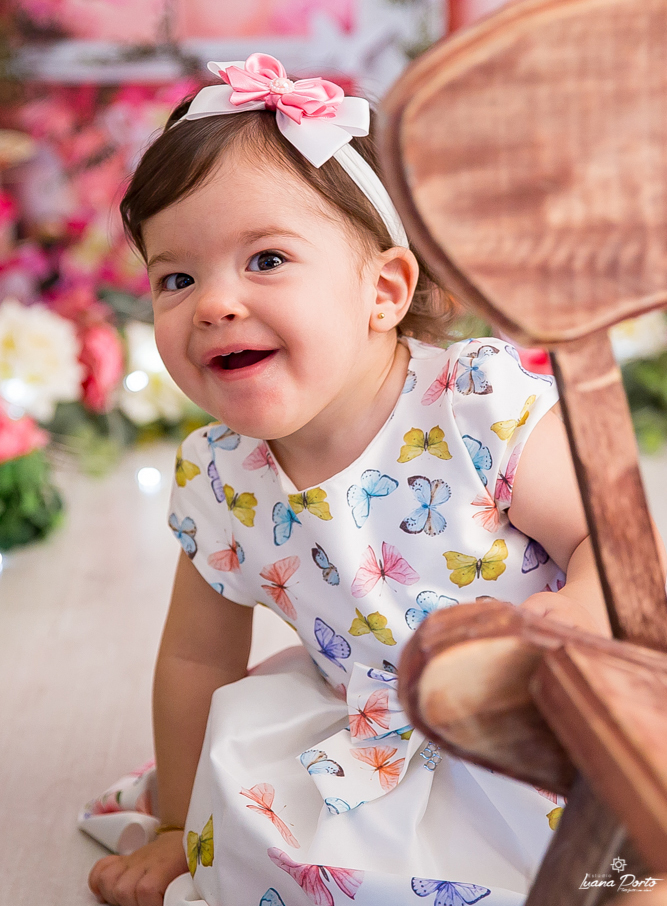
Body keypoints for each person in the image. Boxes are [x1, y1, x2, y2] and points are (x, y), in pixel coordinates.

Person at [89, 53, 612, 906]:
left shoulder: (472, 405)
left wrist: (579, 614)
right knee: (267, 845)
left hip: (547, 713)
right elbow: (194, 658)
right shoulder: (223, 478)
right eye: (175, 278)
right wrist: (179, 827)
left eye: (264, 260)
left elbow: (606, 538)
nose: (214, 302)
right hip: (372, 725)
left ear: (384, 289)